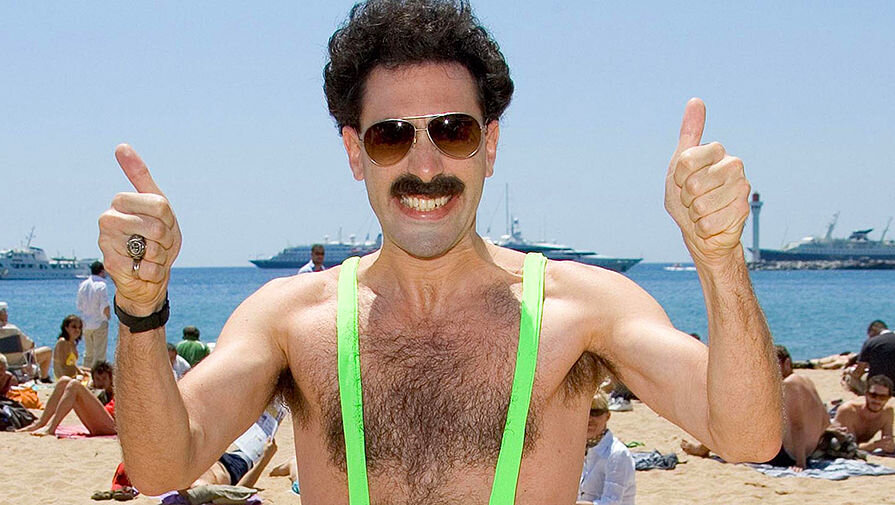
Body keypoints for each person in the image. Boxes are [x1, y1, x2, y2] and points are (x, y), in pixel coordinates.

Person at [97, 0, 782, 501]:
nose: (425, 166)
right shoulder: (290, 319)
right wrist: (140, 308)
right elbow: (162, 465)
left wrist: (719, 257)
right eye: (391, 136)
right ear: (354, 152)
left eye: (452, 131)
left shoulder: (582, 309)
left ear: (490, 144)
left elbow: (748, 434)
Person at [682, 345, 828, 470]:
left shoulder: (789, 384)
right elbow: (825, 419)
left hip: (791, 455)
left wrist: (800, 462)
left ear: (787, 363)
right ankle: (706, 446)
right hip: (810, 449)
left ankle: (703, 447)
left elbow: (797, 426)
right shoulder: (806, 380)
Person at [17, 360, 116, 436]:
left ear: (111, 379)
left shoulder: (116, 392)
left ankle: (51, 427)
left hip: (112, 426)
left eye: (104, 379)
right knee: (64, 381)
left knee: (74, 385)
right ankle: (40, 423)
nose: (101, 383)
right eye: (98, 379)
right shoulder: (96, 391)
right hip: (97, 422)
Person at [577, 393, 635, 505]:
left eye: (596, 413)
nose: (589, 418)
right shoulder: (578, 448)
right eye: (584, 412)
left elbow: (611, 502)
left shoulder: (617, 454)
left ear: (607, 416)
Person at [832, 375, 894, 453]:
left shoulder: (887, 413)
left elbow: (888, 442)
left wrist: (888, 445)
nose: (877, 400)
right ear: (866, 394)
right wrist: (875, 445)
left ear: (888, 398)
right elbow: (848, 446)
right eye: (873, 395)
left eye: (882, 397)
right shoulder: (849, 411)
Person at [0, 301, 53, 383]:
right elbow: (30, 345)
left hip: (3, 365)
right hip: (20, 364)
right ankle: (44, 378)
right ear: (2, 315)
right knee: (47, 351)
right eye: (5, 312)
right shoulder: (13, 330)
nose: (7, 315)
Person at [77, 260, 111, 369]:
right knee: (100, 354)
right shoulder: (102, 285)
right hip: (99, 321)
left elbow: (79, 305)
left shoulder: (83, 285)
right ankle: (98, 375)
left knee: (88, 354)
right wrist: (108, 317)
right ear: (102, 271)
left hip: (86, 322)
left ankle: (86, 374)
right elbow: (105, 305)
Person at [53, 314, 91, 379]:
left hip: (72, 376)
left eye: (79, 327)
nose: (77, 330)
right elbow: (62, 366)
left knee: (94, 371)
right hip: (64, 379)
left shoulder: (72, 343)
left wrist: (81, 372)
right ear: (66, 328)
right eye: (74, 327)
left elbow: (72, 364)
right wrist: (80, 373)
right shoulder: (62, 342)